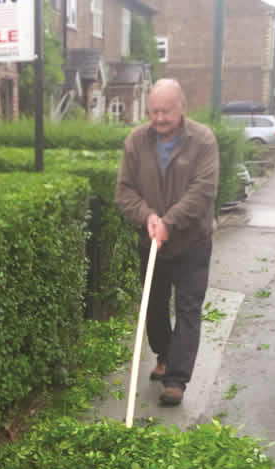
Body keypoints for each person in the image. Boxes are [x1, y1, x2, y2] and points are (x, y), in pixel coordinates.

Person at [115, 78, 219, 406]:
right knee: (154, 307)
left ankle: (176, 380)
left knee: (188, 309)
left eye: (166, 112)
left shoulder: (202, 140)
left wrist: (169, 223)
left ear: (182, 108)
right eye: (153, 111)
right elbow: (124, 190)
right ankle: (163, 356)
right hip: (152, 243)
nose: (159, 119)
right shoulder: (136, 140)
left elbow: (203, 191)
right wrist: (147, 217)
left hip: (192, 243)